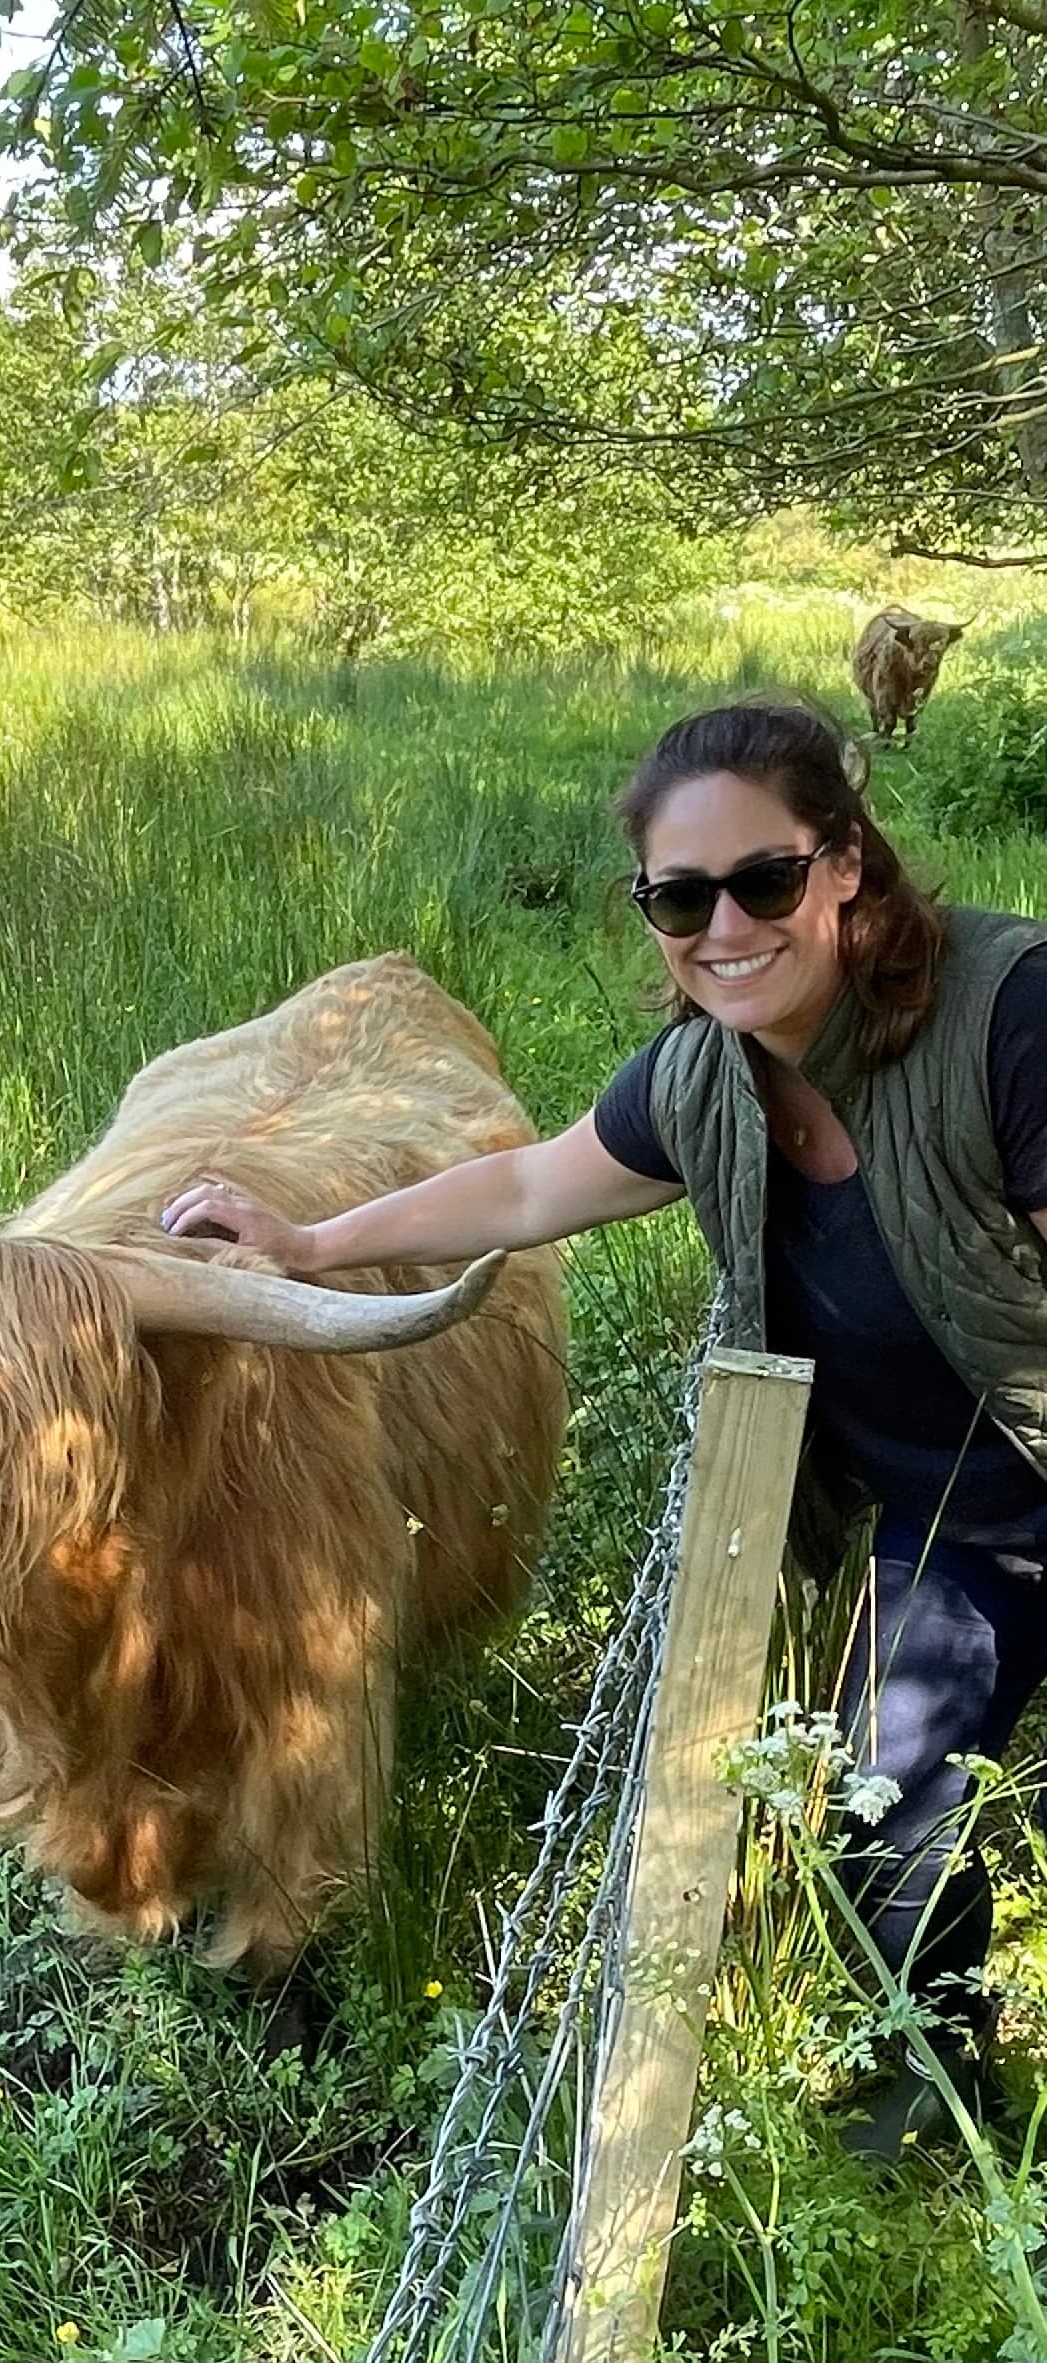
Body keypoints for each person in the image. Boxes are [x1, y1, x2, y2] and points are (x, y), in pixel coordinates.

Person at [160, 701, 1047, 2162]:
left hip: (1031, 1476)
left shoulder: (1009, 1022)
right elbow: (524, 1191)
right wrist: (308, 1244)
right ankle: (938, 2085)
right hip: (936, 1525)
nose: (725, 928)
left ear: (844, 864)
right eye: (681, 899)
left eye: (764, 880)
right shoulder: (706, 1080)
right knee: (879, 1797)